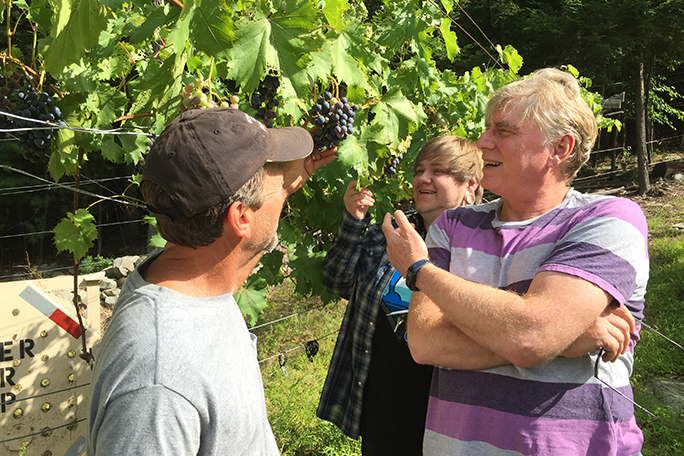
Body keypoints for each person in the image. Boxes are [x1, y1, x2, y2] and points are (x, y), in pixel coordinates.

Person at [382, 67, 648, 455]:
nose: (483, 141)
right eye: (487, 128)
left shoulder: (608, 219)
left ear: (561, 148)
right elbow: (425, 343)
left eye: (503, 132)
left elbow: (531, 336)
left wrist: (421, 271)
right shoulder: (454, 224)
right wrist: (565, 338)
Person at [86, 108, 336, 455]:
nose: (284, 186)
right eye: (276, 179)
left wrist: (282, 191)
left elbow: (234, 256)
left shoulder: (189, 279)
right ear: (242, 217)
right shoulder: (157, 383)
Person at [316, 136, 483, 455]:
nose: (423, 178)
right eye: (420, 169)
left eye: (438, 171)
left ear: (469, 185)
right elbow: (337, 282)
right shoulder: (392, 232)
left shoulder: (483, 248)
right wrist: (354, 220)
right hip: (383, 401)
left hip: (447, 405)